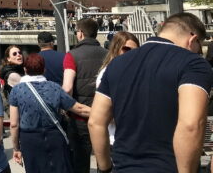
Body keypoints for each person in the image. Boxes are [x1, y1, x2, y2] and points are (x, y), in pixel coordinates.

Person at [89, 13, 213, 173]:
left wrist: (105, 167)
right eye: (199, 47)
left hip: (123, 167)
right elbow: (191, 125)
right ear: (192, 39)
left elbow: (95, 122)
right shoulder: (192, 63)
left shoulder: (116, 64)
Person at [9, 53, 91, 173]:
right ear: (44, 70)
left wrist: (16, 148)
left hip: (30, 139)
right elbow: (79, 109)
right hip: (54, 136)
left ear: (25, 69)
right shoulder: (54, 87)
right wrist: (105, 113)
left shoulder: (17, 90)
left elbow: (14, 124)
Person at [62, 18, 106, 173]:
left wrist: (64, 108)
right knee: (104, 162)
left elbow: (67, 88)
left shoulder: (72, 55)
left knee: (80, 162)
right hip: (103, 116)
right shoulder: (108, 55)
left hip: (79, 117)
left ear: (80, 33)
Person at [93, 31, 139, 146]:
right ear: (116, 49)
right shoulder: (106, 74)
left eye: (136, 50)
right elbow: (104, 115)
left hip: (137, 139)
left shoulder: (139, 73)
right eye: (126, 49)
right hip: (116, 140)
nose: (131, 54)